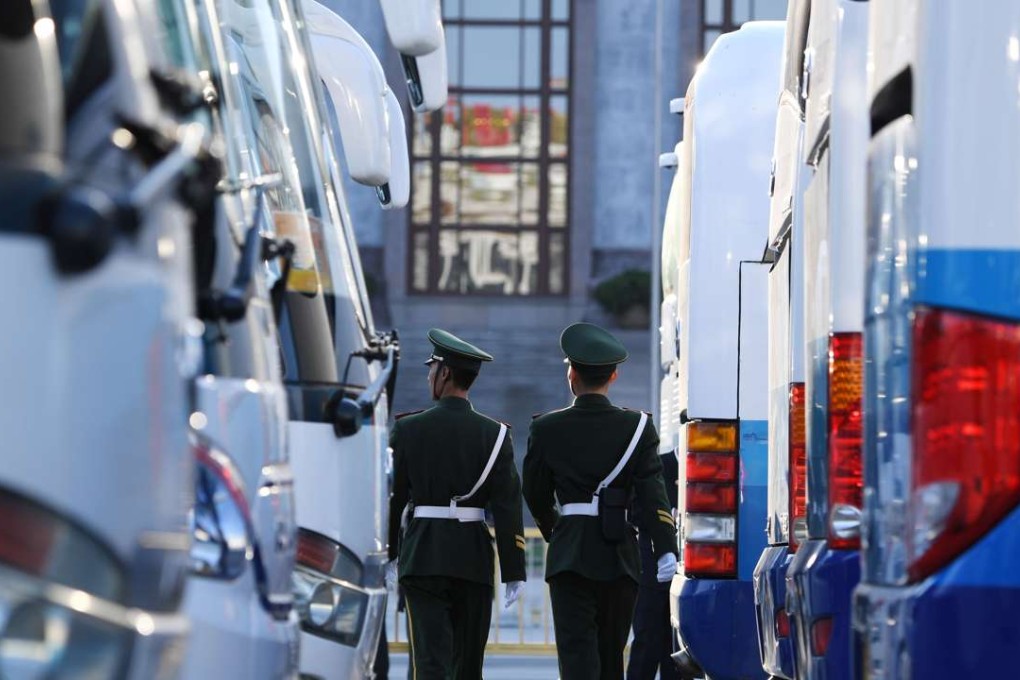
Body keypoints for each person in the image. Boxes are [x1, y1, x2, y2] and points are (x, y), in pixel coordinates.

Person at [523, 322, 678, 680]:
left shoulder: (546, 428)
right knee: (611, 659)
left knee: (577, 659)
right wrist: (666, 546)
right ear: (614, 376)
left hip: (570, 557)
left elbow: (534, 491)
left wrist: (555, 529)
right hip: (619, 556)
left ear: (571, 374)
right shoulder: (637, 427)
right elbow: (653, 491)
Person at [387, 328, 526, 680]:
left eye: (431, 369)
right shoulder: (495, 434)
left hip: (424, 556)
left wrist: (390, 553)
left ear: (445, 373)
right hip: (473, 559)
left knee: (429, 665)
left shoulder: (409, 430)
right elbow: (508, 506)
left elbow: (395, 498)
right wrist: (513, 571)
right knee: (467, 667)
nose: (428, 376)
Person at [626, 452, 680, 680]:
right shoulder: (658, 466)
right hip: (652, 565)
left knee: (677, 647)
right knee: (647, 638)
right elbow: (635, 511)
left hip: (688, 569)